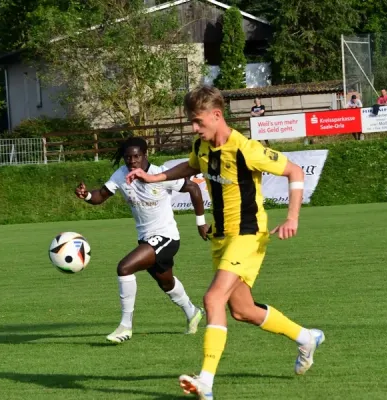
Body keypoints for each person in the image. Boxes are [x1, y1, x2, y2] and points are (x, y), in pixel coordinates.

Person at [126, 86, 324, 399]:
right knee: (242, 311)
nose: (194, 128)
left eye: (198, 122)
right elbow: (192, 165)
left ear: (217, 116)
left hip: (248, 235)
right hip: (221, 238)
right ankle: (306, 337)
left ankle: (206, 380)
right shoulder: (201, 146)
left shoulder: (245, 148)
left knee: (212, 299)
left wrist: (293, 217)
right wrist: (154, 177)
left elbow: (294, 170)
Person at [75, 137, 206, 343]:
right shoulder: (121, 175)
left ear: (145, 155)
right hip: (146, 240)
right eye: (128, 157)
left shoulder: (159, 174)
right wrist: (86, 196)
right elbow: (101, 195)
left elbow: (194, 188)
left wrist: (201, 223)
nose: (132, 161)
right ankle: (192, 312)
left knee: (124, 268)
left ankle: (125, 326)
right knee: (167, 283)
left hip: (166, 237)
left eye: (136, 156)